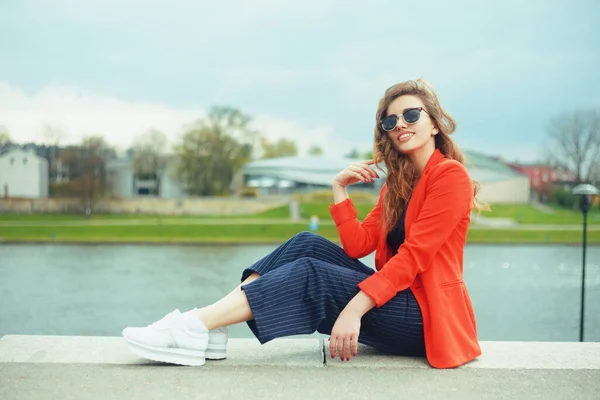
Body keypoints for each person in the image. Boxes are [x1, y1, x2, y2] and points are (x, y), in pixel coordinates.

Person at [122, 78, 485, 369]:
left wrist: (354, 309)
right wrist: (338, 188)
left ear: (434, 122)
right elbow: (358, 246)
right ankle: (211, 327)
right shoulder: (397, 184)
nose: (400, 125)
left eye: (411, 115)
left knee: (312, 273)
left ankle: (193, 326)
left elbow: (414, 257)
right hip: (397, 301)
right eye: (391, 121)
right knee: (305, 244)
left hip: (428, 316)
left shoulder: (450, 176)